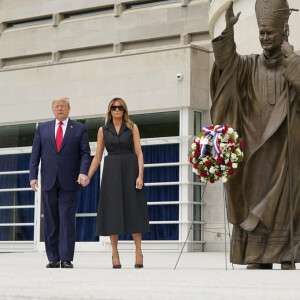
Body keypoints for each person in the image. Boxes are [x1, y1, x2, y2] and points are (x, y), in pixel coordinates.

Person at [210, 0, 300, 270]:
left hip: (286, 151)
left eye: (269, 32)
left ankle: (285, 254)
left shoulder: (294, 63)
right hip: (253, 146)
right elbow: (226, 65)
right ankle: (255, 256)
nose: (264, 38)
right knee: (252, 199)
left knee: (285, 203)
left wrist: (292, 60)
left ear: (284, 31)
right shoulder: (248, 66)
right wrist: (228, 33)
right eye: (261, 33)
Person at [80, 97, 149, 269]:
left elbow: (139, 153)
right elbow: (97, 156)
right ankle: (115, 253)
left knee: (134, 210)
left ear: (124, 110)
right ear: (109, 110)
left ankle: (138, 251)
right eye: (113, 107)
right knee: (112, 212)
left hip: (130, 169)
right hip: (111, 172)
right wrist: (88, 175)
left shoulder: (132, 127)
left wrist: (140, 176)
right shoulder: (103, 130)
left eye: (120, 107)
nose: (117, 110)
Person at [29, 97, 91, 268]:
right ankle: (54, 258)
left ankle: (66, 257)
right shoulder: (42, 129)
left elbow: (85, 153)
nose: (60, 108)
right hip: (49, 181)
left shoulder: (79, 129)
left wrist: (83, 172)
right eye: (56, 106)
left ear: (69, 109)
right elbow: (35, 154)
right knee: (50, 220)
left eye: (63, 106)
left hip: (70, 181)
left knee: (66, 218)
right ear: (52, 110)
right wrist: (33, 176)